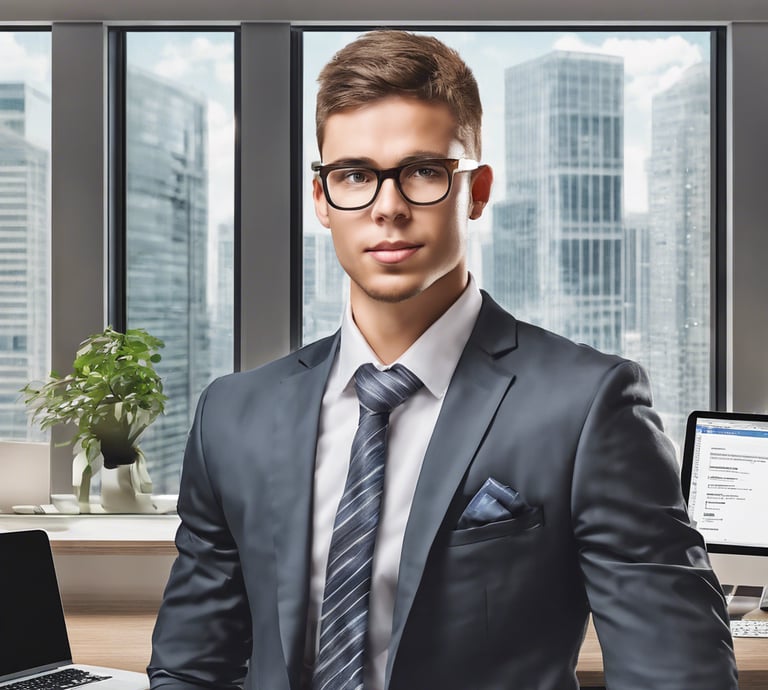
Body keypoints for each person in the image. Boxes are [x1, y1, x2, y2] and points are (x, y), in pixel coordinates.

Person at [148, 30, 738, 690]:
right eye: (354, 176)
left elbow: (678, 674)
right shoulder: (233, 415)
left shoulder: (587, 405)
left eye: (424, 171)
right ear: (322, 198)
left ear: (477, 190)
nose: (388, 207)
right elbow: (191, 667)